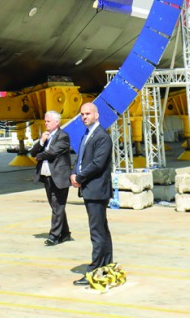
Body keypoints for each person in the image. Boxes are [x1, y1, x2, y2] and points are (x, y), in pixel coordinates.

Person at [71, 101, 114, 284]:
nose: (84, 117)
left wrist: (80, 177)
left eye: (87, 113)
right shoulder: (87, 135)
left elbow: (97, 163)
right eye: (82, 114)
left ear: (97, 115)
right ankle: (106, 266)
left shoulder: (102, 137)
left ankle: (94, 271)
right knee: (101, 230)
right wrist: (74, 173)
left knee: (97, 232)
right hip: (90, 189)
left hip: (97, 190)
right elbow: (81, 159)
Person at [31, 110, 74, 246]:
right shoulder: (46, 137)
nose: (46, 123)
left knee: (57, 206)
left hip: (59, 177)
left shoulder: (63, 136)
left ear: (56, 122)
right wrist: (41, 141)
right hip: (47, 177)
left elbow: (52, 152)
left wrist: (39, 156)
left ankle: (54, 236)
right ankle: (65, 233)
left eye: (48, 121)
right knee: (57, 207)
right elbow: (32, 152)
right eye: (45, 121)